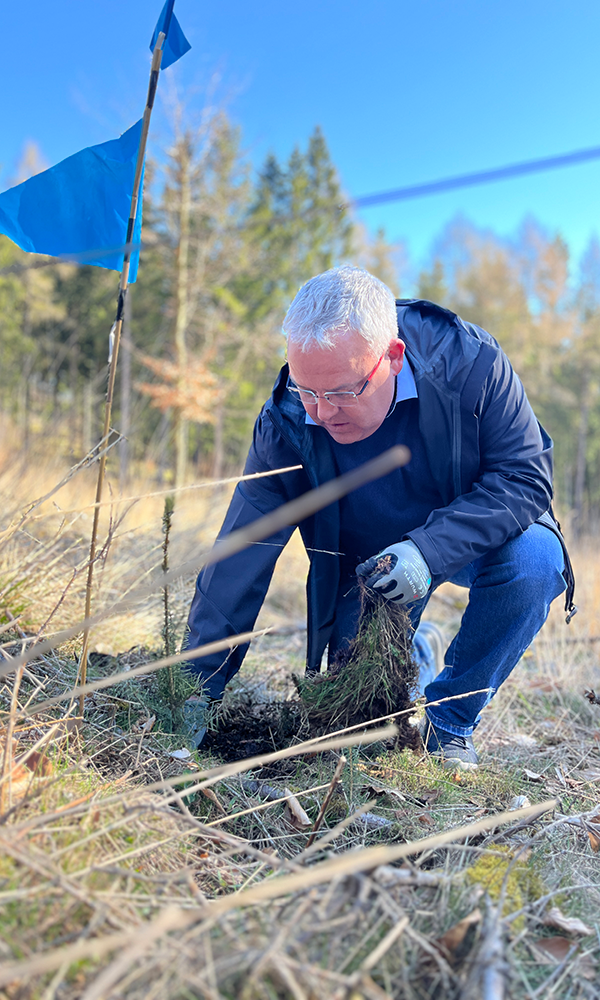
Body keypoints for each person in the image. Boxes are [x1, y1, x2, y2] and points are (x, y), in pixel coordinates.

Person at [182, 266, 575, 768]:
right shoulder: (288, 420)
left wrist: (429, 550)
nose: (323, 413)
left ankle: (451, 721)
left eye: (344, 392)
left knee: (536, 560)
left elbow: (525, 477)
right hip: (369, 564)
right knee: (356, 724)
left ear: (392, 357)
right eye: (309, 391)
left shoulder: (470, 366)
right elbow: (244, 548)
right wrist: (198, 685)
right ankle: (422, 654)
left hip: (471, 529)